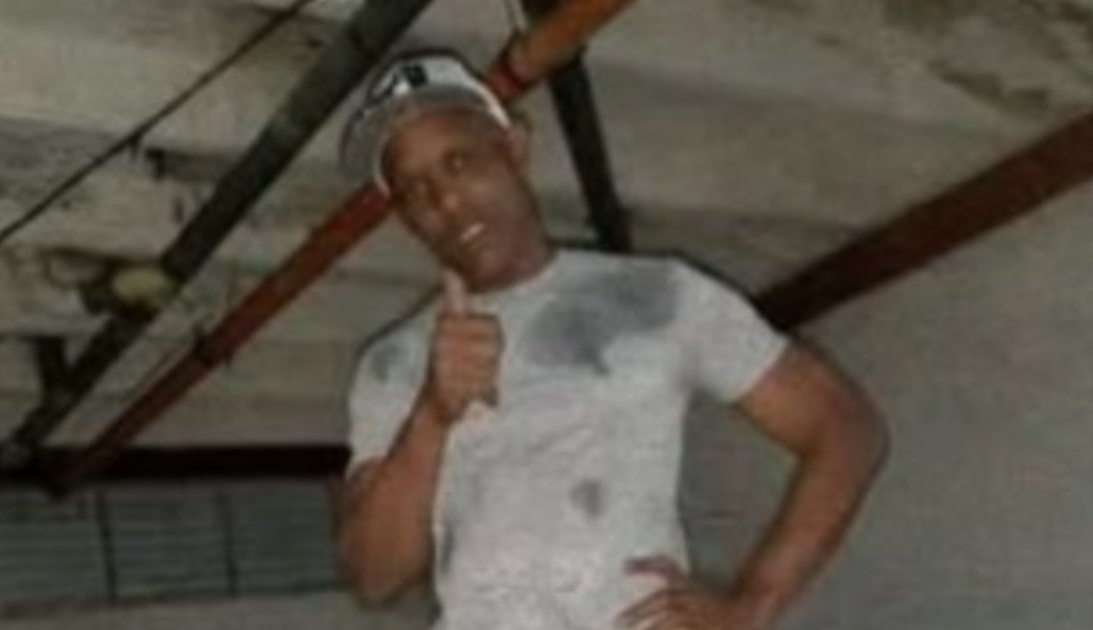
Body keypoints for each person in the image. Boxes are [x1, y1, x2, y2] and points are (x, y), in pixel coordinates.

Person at [334, 49, 888, 630]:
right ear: (404, 217)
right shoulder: (393, 362)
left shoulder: (660, 296)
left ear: (514, 148)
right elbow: (375, 576)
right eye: (414, 189)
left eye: (460, 161)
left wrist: (752, 607)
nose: (446, 201)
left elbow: (847, 428)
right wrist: (433, 414)